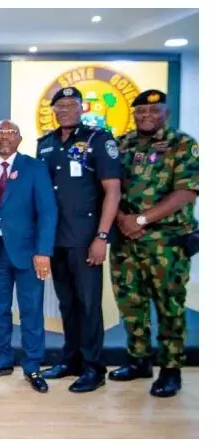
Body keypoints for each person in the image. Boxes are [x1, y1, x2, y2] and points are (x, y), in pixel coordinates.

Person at [109, 89, 198, 398]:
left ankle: (171, 368)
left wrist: (141, 220)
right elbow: (108, 187)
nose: (146, 115)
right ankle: (139, 360)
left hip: (166, 242)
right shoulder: (121, 144)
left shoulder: (182, 144)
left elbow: (186, 192)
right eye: (141, 111)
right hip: (125, 239)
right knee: (130, 303)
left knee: (169, 305)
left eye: (154, 110)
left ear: (165, 114)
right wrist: (122, 219)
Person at [36, 87, 121, 393]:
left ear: (82, 108)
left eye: (72, 105)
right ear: (53, 110)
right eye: (60, 106)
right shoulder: (45, 143)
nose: (65, 110)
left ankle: (93, 367)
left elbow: (113, 191)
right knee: (67, 303)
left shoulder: (99, 139)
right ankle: (71, 359)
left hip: (86, 238)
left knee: (88, 304)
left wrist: (102, 236)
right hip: (56, 237)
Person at [0, 120, 57, 393]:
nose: (5, 137)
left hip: (28, 253)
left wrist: (43, 251)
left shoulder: (34, 168)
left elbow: (47, 212)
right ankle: (2, 359)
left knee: (31, 310)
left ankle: (33, 364)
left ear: (20, 139)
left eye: (11, 133)